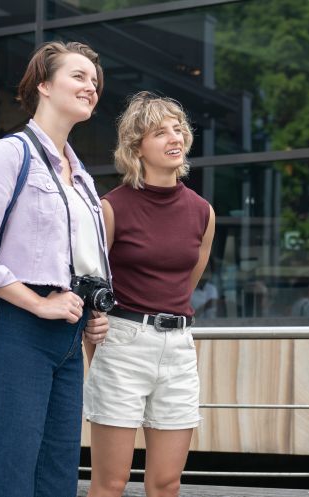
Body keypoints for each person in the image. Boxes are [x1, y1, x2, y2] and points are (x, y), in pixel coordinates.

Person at [0, 41, 109, 497]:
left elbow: (79, 257)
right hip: (18, 328)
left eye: (94, 81)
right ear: (43, 84)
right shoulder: (9, 155)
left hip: (68, 337)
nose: (90, 87)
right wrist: (38, 302)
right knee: (9, 475)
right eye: (78, 76)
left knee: (57, 477)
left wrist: (92, 310)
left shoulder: (83, 179)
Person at [83, 92, 215, 497]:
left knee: (166, 483)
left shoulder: (202, 211)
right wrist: (96, 345)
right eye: (160, 132)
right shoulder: (110, 208)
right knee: (111, 483)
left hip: (178, 346)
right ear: (136, 147)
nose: (174, 137)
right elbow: (91, 283)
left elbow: (186, 281)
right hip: (123, 343)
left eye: (178, 129)